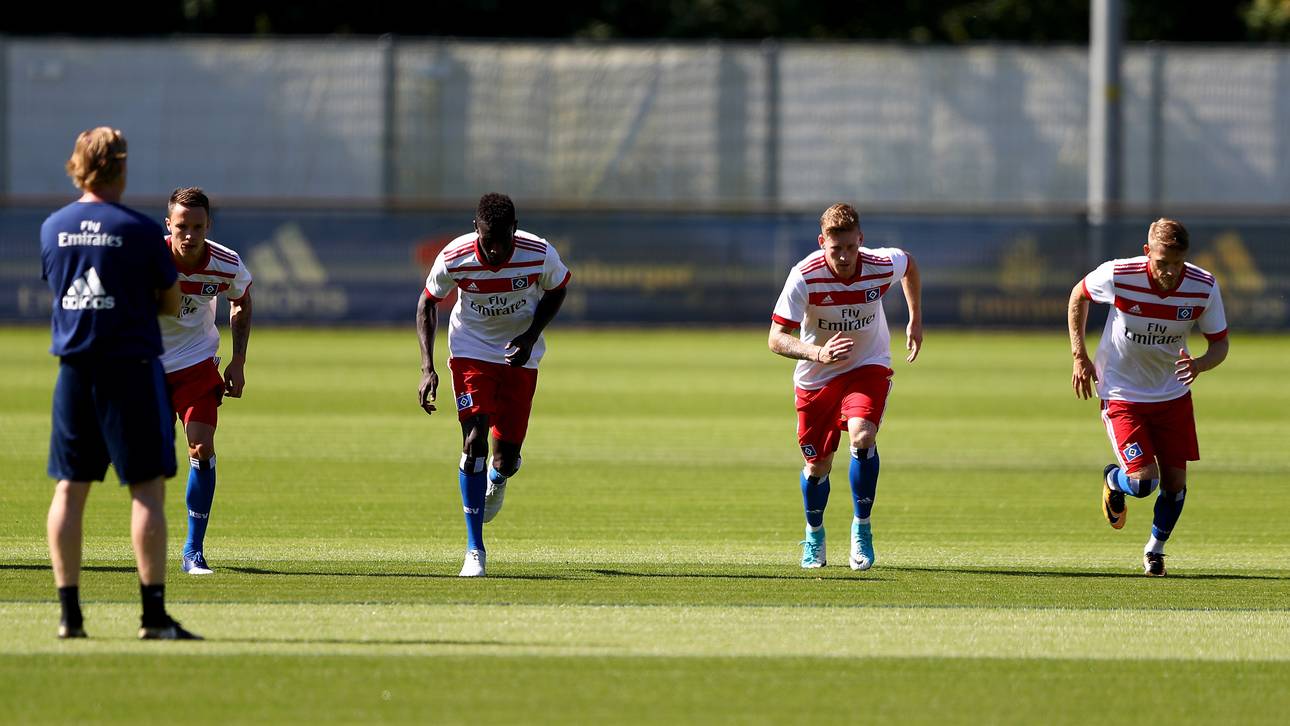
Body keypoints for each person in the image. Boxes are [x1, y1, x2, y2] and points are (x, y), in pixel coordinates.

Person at [39, 127, 200, 639]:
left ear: (77, 165)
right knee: (146, 490)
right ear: (121, 167)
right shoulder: (137, 230)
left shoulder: (53, 227)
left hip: (74, 371)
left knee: (70, 489)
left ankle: (70, 616)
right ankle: (153, 617)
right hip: (130, 369)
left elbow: (60, 289)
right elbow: (171, 302)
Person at [416, 193, 571, 577]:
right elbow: (427, 303)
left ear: (515, 229)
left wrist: (531, 336)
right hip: (470, 351)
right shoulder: (455, 256)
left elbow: (558, 290)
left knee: (505, 459)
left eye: (504, 240)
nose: (496, 250)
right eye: (488, 241)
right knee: (474, 441)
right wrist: (427, 367)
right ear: (476, 230)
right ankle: (475, 550)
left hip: (520, 354)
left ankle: (498, 477)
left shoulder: (539, 253)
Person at [1069, 218, 1229, 577]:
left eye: (1178, 263)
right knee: (1143, 482)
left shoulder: (1203, 285)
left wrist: (1200, 364)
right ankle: (1114, 480)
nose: (1170, 271)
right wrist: (1080, 356)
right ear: (1147, 253)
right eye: (1162, 263)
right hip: (1122, 393)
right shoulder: (1119, 274)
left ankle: (1155, 550)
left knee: (1175, 485)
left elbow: (1220, 344)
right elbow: (1078, 295)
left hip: (1172, 395)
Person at [768, 203, 923, 571]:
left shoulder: (879, 265)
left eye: (851, 247)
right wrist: (818, 353)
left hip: (867, 365)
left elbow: (910, 265)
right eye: (836, 248)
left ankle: (861, 528)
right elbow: (776, 338)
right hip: (817, 375)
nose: (844, 256)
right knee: (818, 465)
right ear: (822, 242)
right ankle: (814, 535)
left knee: (863, 435)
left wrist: (915, 319)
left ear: (861, 240)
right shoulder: (804, 276)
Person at [158, 187, 253, 575]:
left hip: (196, 364)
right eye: (182, 226)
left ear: (208, 225)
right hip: (149, 366)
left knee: (201, 446)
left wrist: (238, 361)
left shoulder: (225, 263)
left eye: (197, 227)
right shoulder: (146, 258)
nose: (189, 235)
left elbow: (241, 300)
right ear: (169, 224)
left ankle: (193, 551)